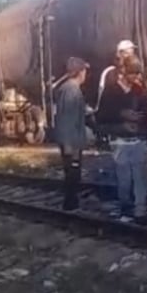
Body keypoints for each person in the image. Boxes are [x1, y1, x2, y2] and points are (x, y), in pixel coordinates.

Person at [96, 56, 147, 222]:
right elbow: (101, 116)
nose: (136, 77)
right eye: (132, 74)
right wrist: (122, 115)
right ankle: (126, 208)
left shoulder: (140, 90)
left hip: (138, 138)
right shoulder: (111, 90)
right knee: (124, 179)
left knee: (140, 177)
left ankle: (140, 210)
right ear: (123, 71)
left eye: (138, 74)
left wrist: (140, 117)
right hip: (119, 140)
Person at [53, 57, 92, 212]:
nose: (85, 74)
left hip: (69, 139)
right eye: (84, 71)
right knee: (73, 174)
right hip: (72, 141)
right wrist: (69, 146)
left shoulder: (65, 88)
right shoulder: (72, 90)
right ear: (79, 72)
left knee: (71, 173)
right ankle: (70, 204)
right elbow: (68, 118)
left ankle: (71, 202)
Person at [97, 40, 138, 106]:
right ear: (119, 54)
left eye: (132, 53)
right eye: (127, 53)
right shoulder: (109, 72)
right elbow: (104, 99)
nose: (130, 56)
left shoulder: (136, 74)